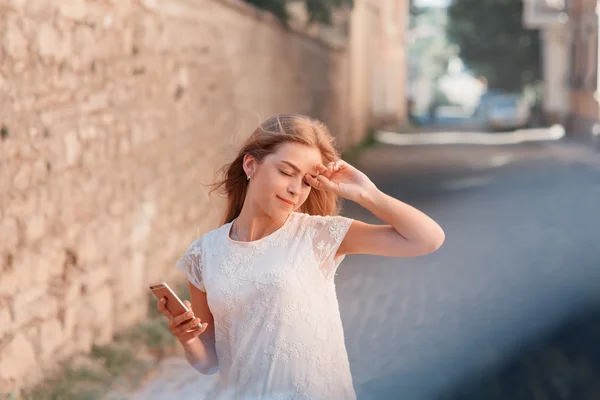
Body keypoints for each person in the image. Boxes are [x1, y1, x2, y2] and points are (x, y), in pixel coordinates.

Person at [157, 114, 445, 399]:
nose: (296, 189)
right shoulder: (203, 254)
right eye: (286, 172)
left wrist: (367, 193)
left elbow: (427, 239)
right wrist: (188, 337)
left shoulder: (318, 235)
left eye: (307, 181)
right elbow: (207, 362)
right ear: (250, 164)